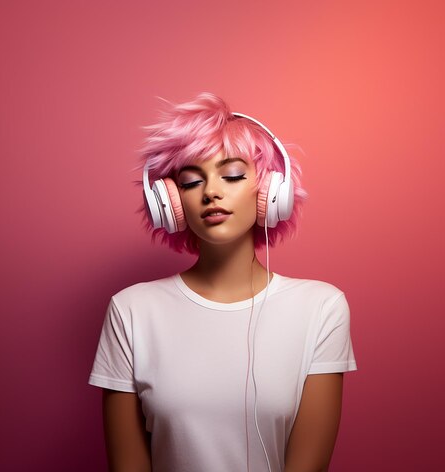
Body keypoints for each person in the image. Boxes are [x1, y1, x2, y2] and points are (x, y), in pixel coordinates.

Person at [88, 92, 358, 472]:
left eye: (232, 175)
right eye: (191, 182)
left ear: (269, 191)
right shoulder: (131, 310)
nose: (211, 191)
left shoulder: (320, 307)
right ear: (172, 204)